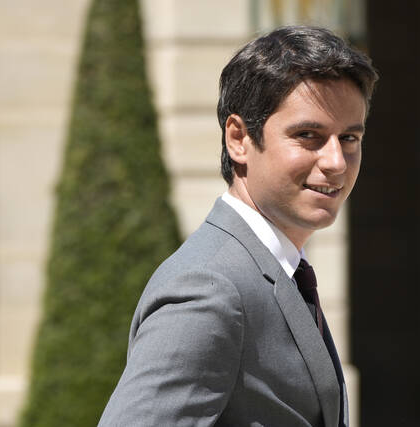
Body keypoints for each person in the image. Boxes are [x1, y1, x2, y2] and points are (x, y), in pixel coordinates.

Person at [99, 25, 378, 427]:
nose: (336, 161)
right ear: (239, 139)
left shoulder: (277, 268)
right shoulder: (209, 288)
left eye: (349, 138)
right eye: (308, 135)